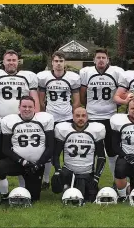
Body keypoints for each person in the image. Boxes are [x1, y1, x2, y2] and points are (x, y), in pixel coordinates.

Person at [0, 96, 54, 203]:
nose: (27, 109)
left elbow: (50, 147)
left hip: (36, 165)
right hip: (18, 163)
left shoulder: (45, 119)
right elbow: (5, 148)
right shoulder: (9, 120)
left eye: (30, 107)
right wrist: (23, 161)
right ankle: (4, 196)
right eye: (24, 106)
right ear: (19, 107)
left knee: (33, 199)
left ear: (35, 108)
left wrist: (39, 164)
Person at [80, 48, 125, 181]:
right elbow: (83, 95)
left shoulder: (116, 72)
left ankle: (116, 181)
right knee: (92, 152)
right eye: (98, 57)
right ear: (94, 59)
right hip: (92, 117)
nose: (101, 60)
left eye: (103, 58)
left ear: (108, 59)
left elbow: (121, 94)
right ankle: (90, 181)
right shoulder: (86, 72)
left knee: (112, 152)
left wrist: (115, 105)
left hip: (110, 117)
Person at [37, 51, 81, 189]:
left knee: (66, 149)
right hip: (50, 118)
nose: (58, 63)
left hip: (66, 118)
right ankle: (45, 179)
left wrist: (72, 115)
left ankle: (66, 177)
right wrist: (46, 115)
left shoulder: (72, 78)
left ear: (65, 62)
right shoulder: (44, 77)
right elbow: (41, 100)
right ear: (52, 62)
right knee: (49, 149)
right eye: (56, 61)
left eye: (61, 61)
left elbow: (76, 101)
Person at [52, 107, 106, 203]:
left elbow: (101, 157)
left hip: (86, 172)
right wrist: (58, 170)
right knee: (56, 184)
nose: (80, 118)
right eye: (77, 116)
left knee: (86, 198)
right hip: (68, 170)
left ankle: (71, 187)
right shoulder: (64, 130)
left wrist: (96, 177)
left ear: (87, 117)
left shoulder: (95, 131)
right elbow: (56, 154)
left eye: (83, 116)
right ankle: (66, 184)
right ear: (72, 117)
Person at [0, 50, 40, 117]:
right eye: (8, 60)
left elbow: (35, 100)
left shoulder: (28, 76)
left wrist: (36, 118)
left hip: (22, 120)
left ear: (18, 62)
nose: (11, 62)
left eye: (14, 60)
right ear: (3, 62)